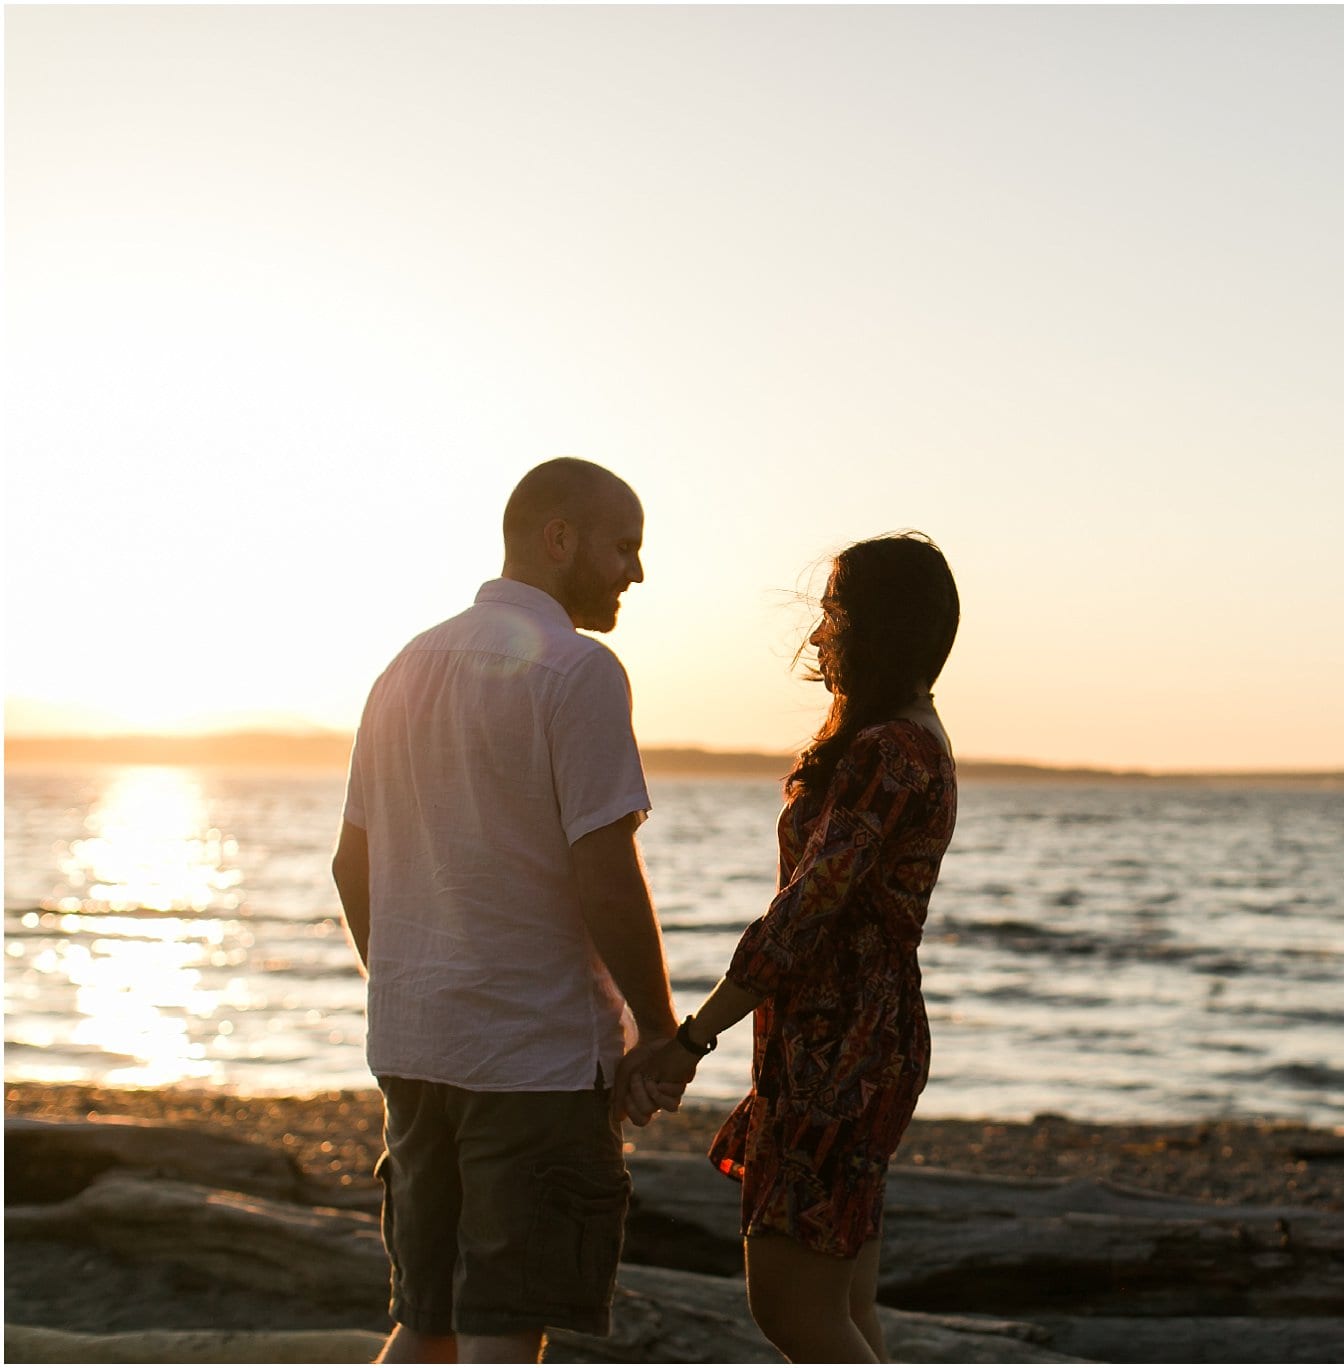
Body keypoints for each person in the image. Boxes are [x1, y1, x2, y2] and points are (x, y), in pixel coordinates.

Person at [331, 457, 680, 1364]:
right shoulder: (579, 669)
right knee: (498, 1331)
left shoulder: (402, 667)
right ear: (558, 538)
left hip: (415, 1052)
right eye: (624, 546)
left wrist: (413, 986)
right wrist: (658, 1026)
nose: (635, 572)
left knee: (426, 1321)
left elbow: (349, 864)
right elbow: (603, 871)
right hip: (533, 1060)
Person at [620, 532, 960, 1363]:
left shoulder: (889, 754)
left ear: (880, 627)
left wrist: (693, 1037)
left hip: (840, 1051)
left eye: (834, 616)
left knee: (792, 1312)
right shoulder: (914, 739)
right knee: (845, 1305)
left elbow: (804, 917)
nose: (819, 638)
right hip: (863, 1039)